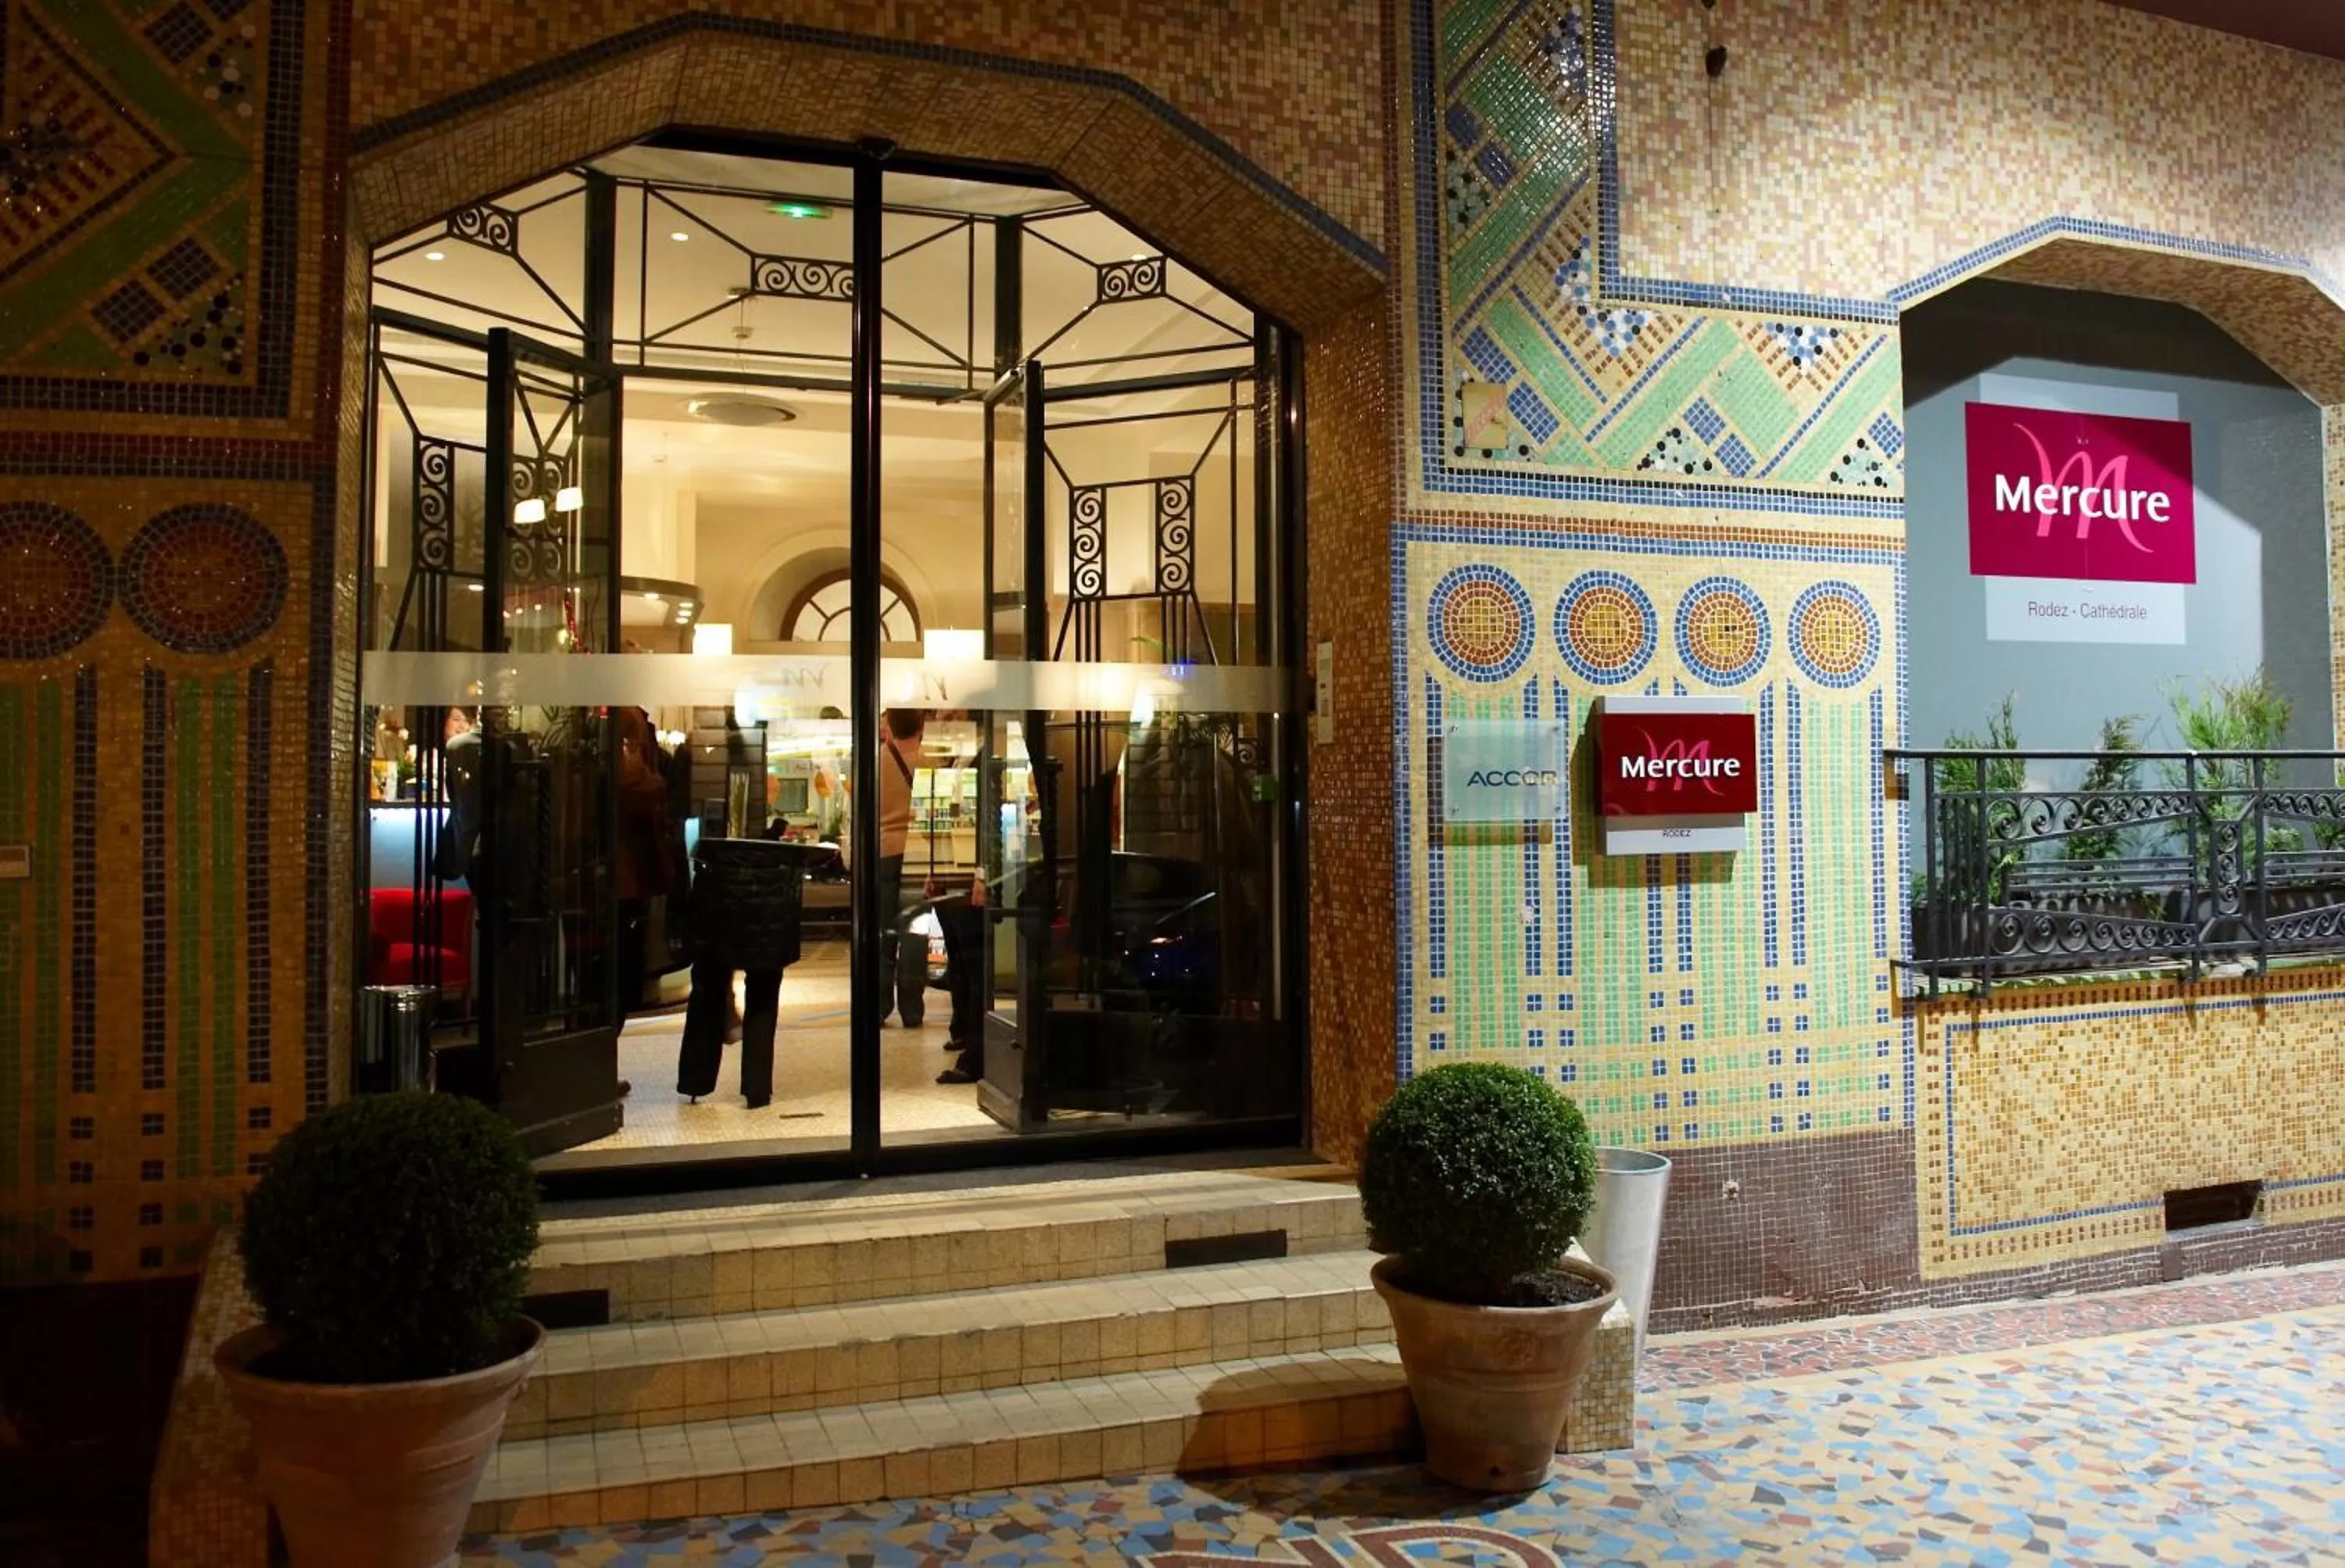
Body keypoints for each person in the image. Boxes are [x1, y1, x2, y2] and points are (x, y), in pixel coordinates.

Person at [676, 833, 805, 1108]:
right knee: (763, 998)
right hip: (772, 900)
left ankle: (696, 1081)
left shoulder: (711, 836)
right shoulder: (778, 849)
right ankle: (757, 1089)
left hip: (718, 898)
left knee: (707, 992)